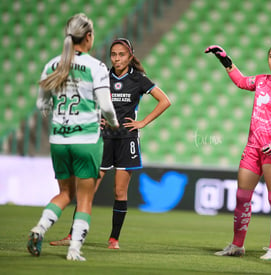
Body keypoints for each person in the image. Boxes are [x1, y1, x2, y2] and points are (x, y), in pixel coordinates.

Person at [49, 38, 171, 249]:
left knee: (119, 192)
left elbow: (165, 101)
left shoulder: (139, 79)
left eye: (121, 54)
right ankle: (73, 235)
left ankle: (114, 239)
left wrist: (142, 122)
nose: (116, 58)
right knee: (88, 189)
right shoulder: (102, 76)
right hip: (103, 139)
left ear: (130, 56)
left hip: (127, 140)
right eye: (114, 54)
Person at [205, 38, 271, 261]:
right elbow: (242, 81)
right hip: (253, 148)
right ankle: (237, 245)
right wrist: (225, 60)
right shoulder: (261, 81)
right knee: (242, 196)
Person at [27, 13, 119, 261]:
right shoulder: (96, 67)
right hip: (86, 140)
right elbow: (107, 107)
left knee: (64, 193)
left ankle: (40, 229)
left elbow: (41, 105)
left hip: (58, 140)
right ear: (88, 37)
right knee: (85, 198)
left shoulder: (52, 64)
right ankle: (74, 250)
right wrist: (114, 124)